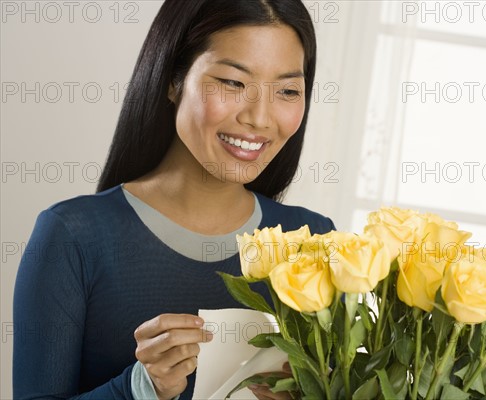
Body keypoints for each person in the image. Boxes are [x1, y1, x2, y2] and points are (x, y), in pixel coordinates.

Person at [12, 0, 334, 399]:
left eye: (287, 90)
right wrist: (138, 388)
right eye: (233, 83)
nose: (260, 118)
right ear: (172, 78)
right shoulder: (71, 237)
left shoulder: (315, 241)